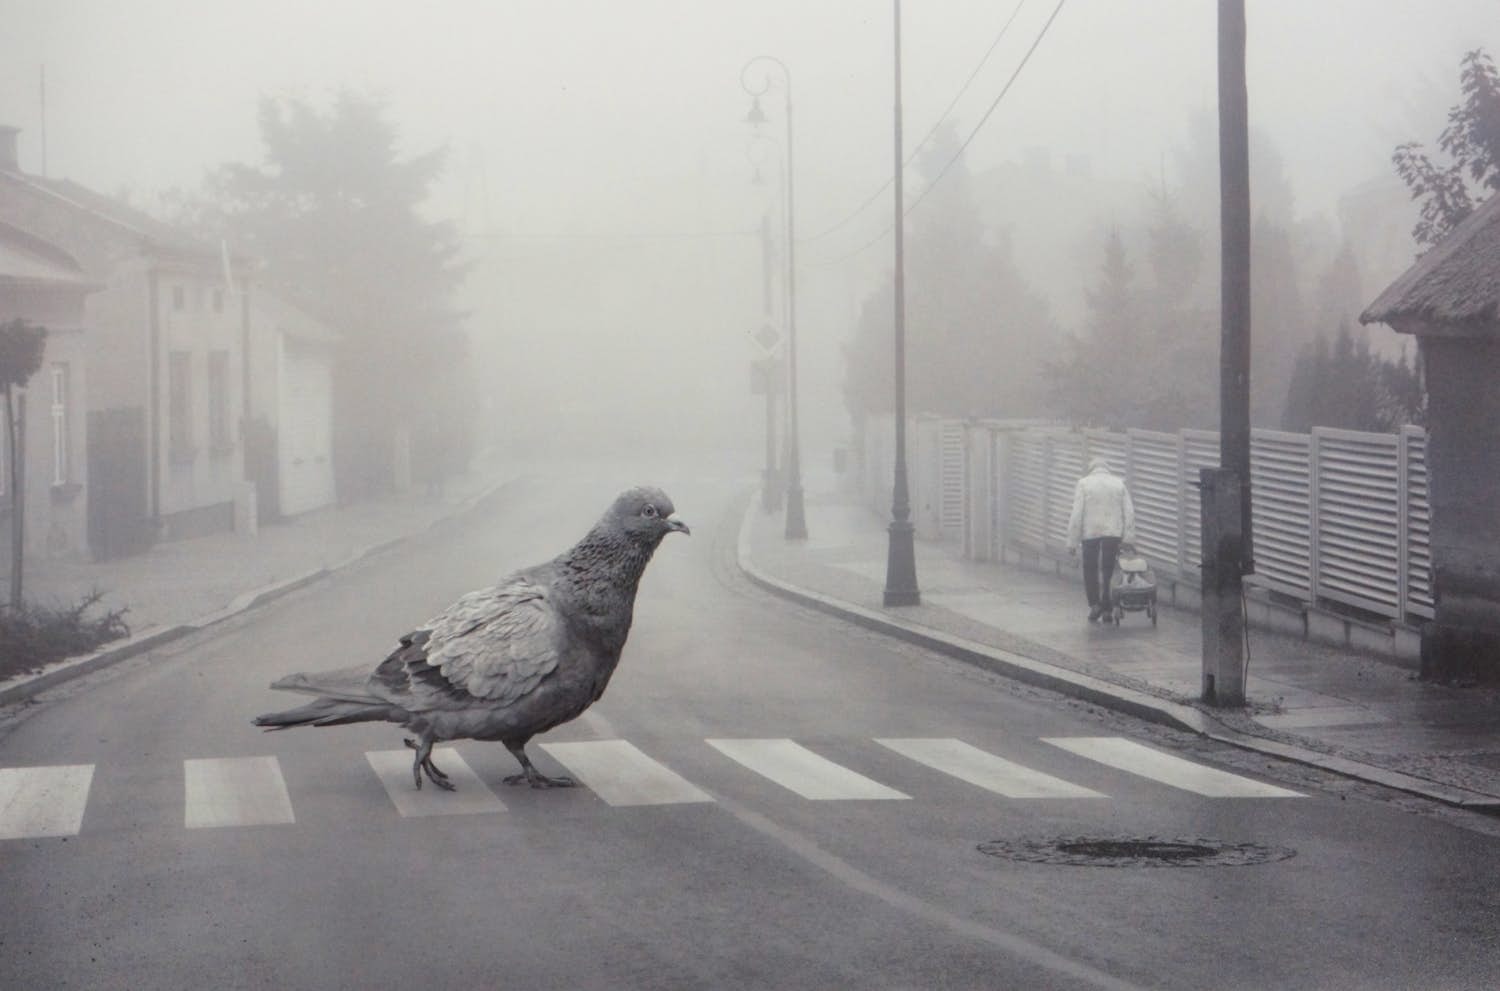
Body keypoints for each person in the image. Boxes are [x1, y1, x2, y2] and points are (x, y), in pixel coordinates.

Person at [1066, 457, 1136, 622]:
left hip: (1090, 533)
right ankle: (1107, 609)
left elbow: (1077, 514)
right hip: (1113, 533)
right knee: (1108, 571)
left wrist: (1072, 542)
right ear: (1107, 468)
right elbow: (1129, 512)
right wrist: (1128, 537)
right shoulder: (1119, 483)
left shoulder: (1083, 483)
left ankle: (1094, 604)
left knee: (1089, 569)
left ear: (1091, 469)